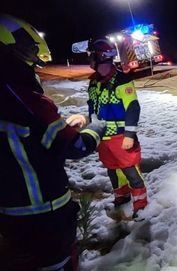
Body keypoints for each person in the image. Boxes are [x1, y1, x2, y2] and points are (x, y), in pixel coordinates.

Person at [0, 14, 106, 271]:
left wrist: (60, 128)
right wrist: (95, 127)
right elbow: (76, 147)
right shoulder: (27, 100)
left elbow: (30, 138)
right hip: (44, 215)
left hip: (9, 216)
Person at [85, 37, 148, 220]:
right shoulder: (94, 82)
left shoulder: (122, 80)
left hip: (121, 137)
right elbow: (92, 107)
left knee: (130, 171)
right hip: (103, 138)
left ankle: (141, 206)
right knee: (112, 170)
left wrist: (130, 134)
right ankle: (121, 197)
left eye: (92, 56)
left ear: (101, 57)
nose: (89, 60)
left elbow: (133, 107)